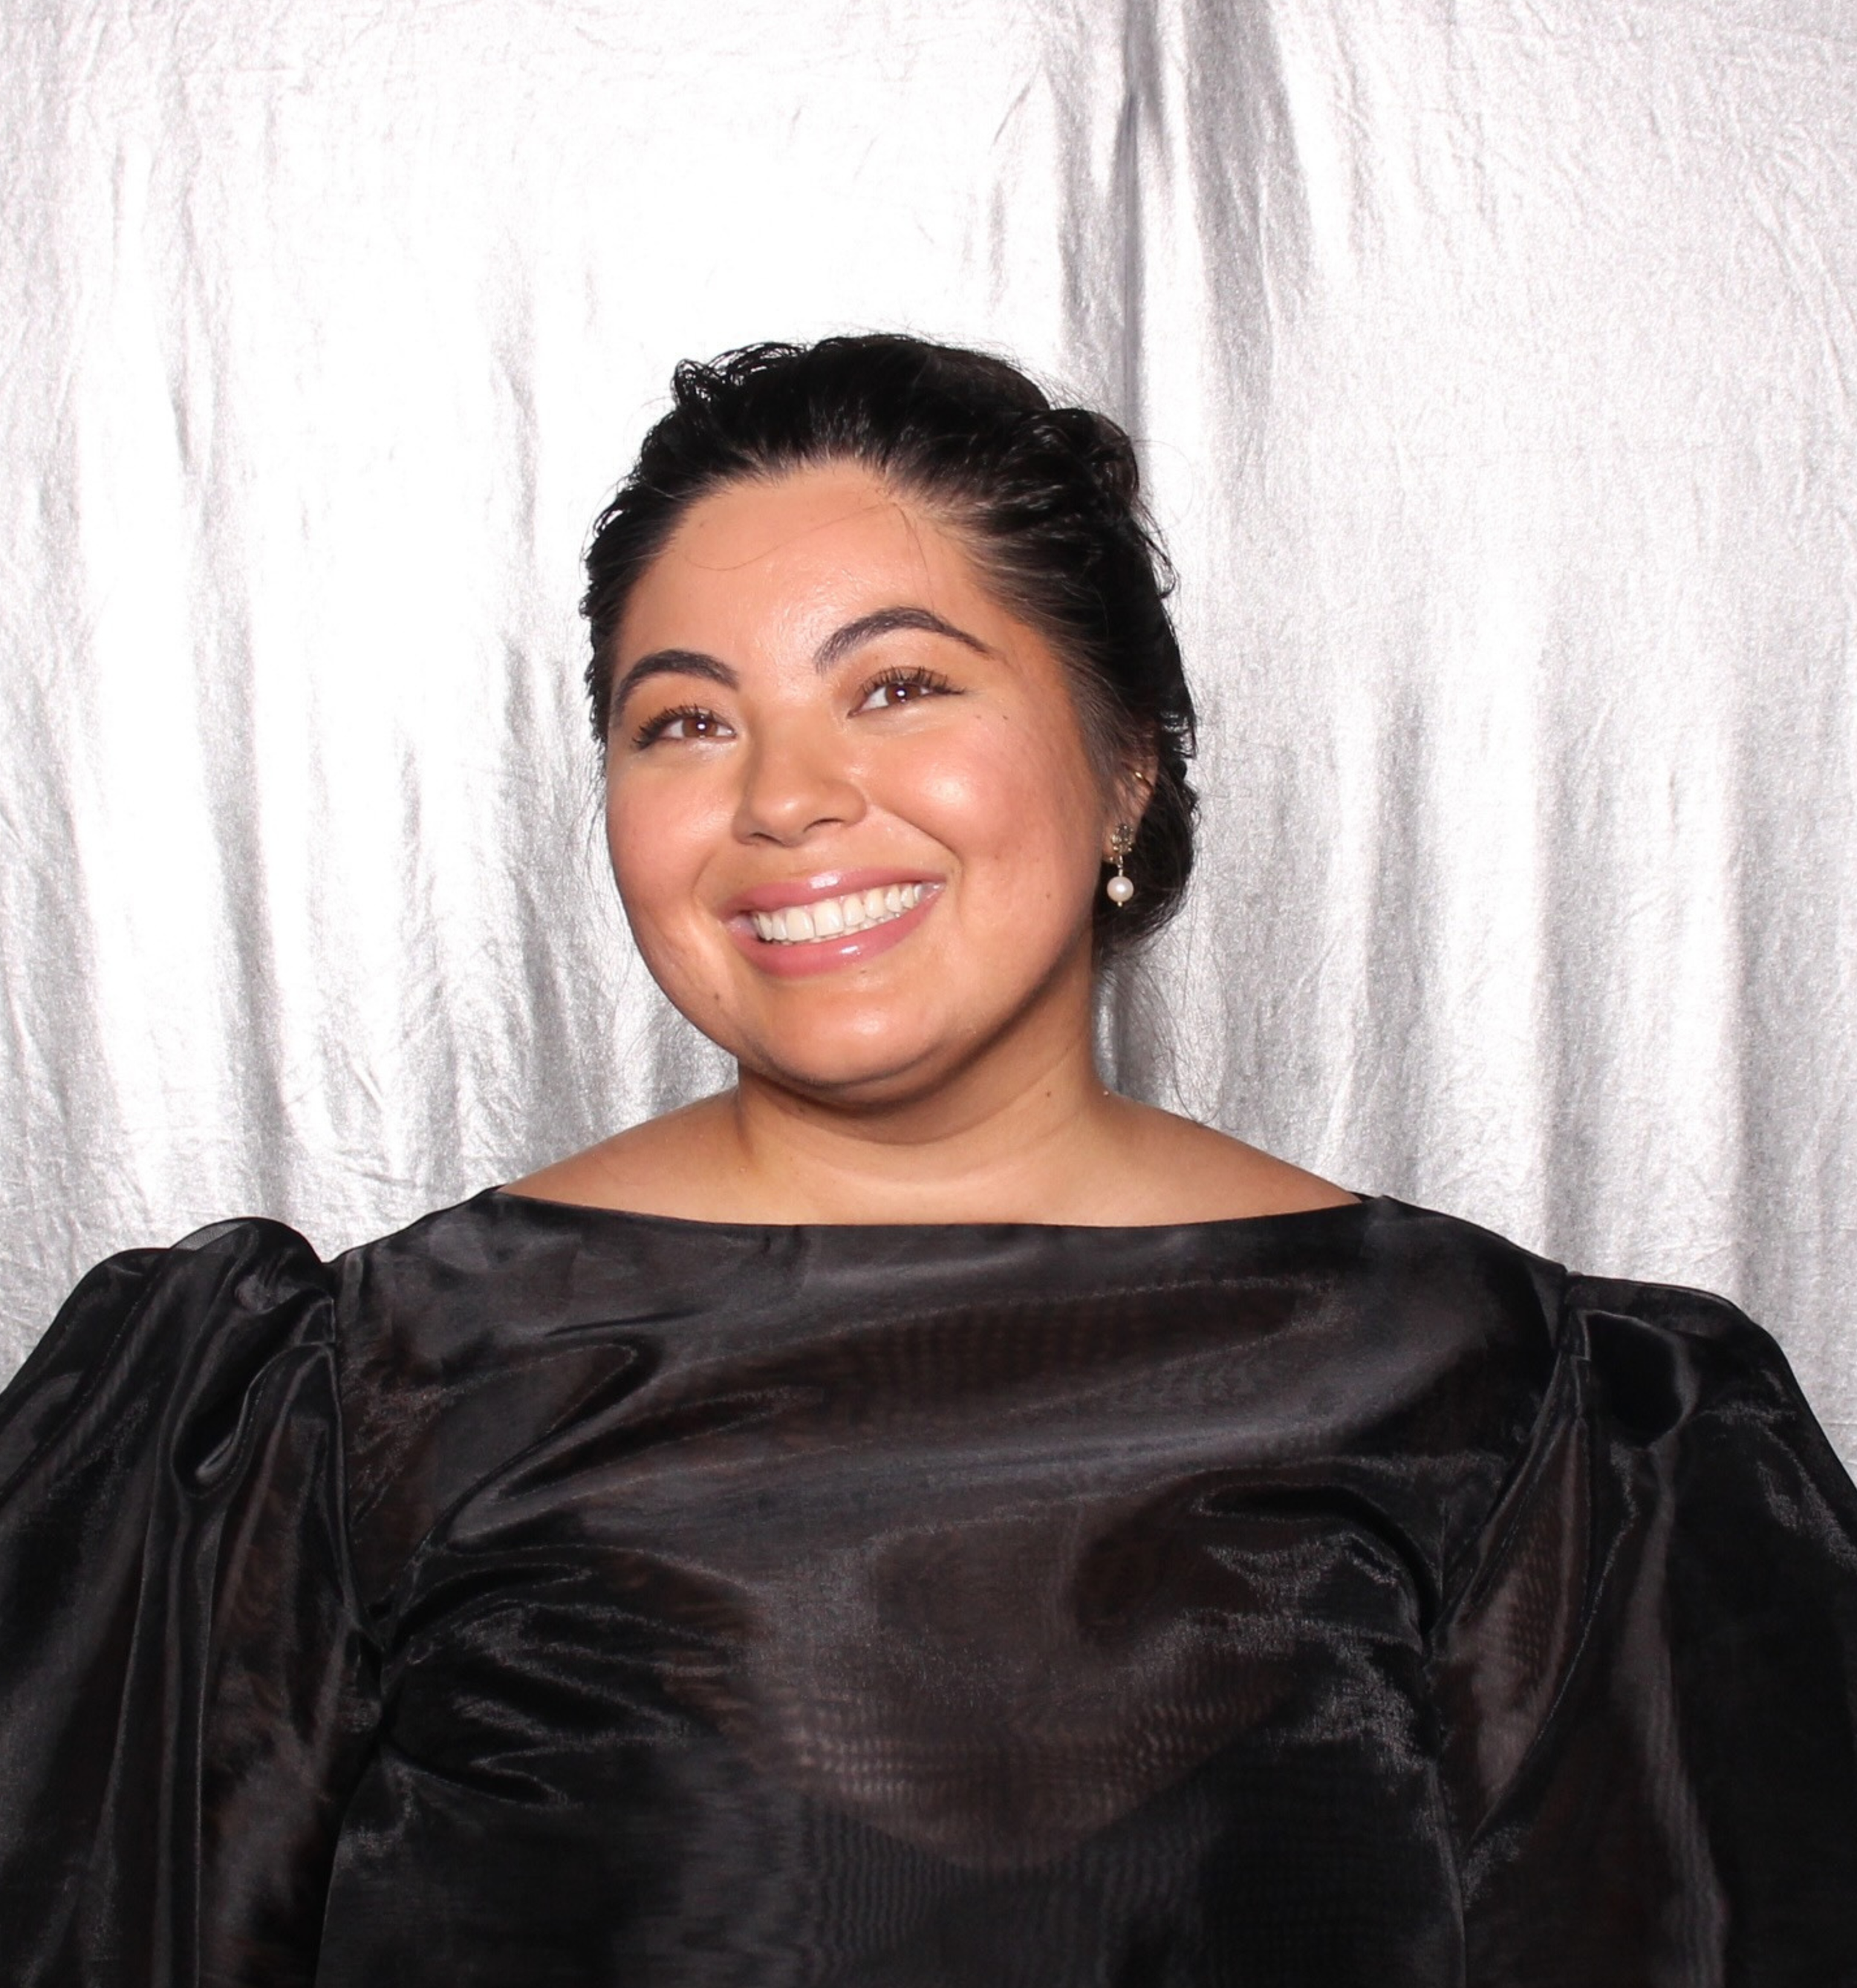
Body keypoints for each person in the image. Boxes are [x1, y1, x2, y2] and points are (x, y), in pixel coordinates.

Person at [1, 335, 1853, 1987]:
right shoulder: (332, 1403)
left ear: (1128, 756)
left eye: (895, 686)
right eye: (685, 718)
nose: (782, 794)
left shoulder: (1532, 1409)